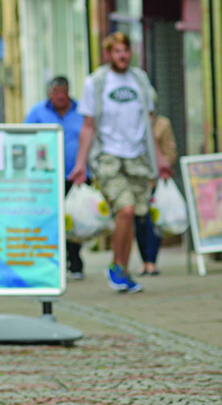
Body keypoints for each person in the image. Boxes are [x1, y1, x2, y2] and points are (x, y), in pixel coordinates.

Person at [69, 31, 172, 295]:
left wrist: (159, 160)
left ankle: (122, 271)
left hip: (137, 157)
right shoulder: (97, 82)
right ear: (108, 54)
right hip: (108, 157)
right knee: (124, 210)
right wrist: (81, 164)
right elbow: (88, 125)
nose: (122, 55)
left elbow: (149, 124)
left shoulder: (140, 80)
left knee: (135, 214)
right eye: (117, 51)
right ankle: (117, 267)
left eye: (125, 50)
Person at [25, 75, 88, 279]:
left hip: (76, 175)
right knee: (51, 219)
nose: (61, 96)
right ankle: (53, 262)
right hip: (47, 177)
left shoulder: (81, 111)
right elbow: (24, 137)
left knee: (74, 219)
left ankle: (75, 261)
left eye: (64, 92)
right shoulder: (38, 112)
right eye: (56, 92)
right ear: (50, 93)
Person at [135, 98, 179, 276]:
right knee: (139, 221)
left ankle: (152, 260)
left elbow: (171, 150)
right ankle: (143, 261)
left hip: (156, 181)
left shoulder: (162, 124)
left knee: (154, 221)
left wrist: (163, 167)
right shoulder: (132, 123)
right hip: (137, 180)